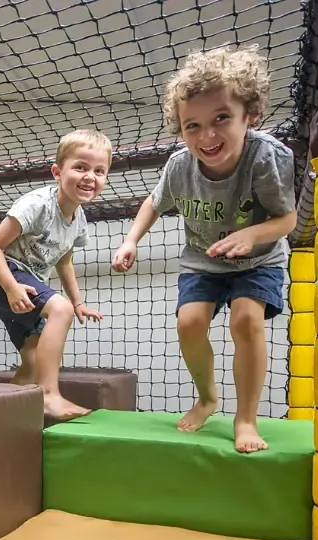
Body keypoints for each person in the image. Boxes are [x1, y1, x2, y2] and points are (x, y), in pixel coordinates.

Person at [111, 44, 297, 453]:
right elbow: (153, 203)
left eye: (221, 118)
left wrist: (252, 235)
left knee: (245, 321)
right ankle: (208, 397)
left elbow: (287, 220)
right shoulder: (180, 165)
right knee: (189, 323)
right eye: (192, 125)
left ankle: (245, 419)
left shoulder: (265, 158)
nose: (207, 136)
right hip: (203, 260)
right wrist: (130, 240)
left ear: (250, 114)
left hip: (258, 259)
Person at [0, 129, 109, 422]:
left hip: (29, 284)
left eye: (99, 171)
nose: (90, 177)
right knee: (59, 309)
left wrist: (78, 303)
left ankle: (3, 420)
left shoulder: (79, 220)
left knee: (32, 361)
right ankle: (49, 395)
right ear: (57, 172)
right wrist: (11, 287)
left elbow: (64, 262)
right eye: (80, 167)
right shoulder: (38, 205)